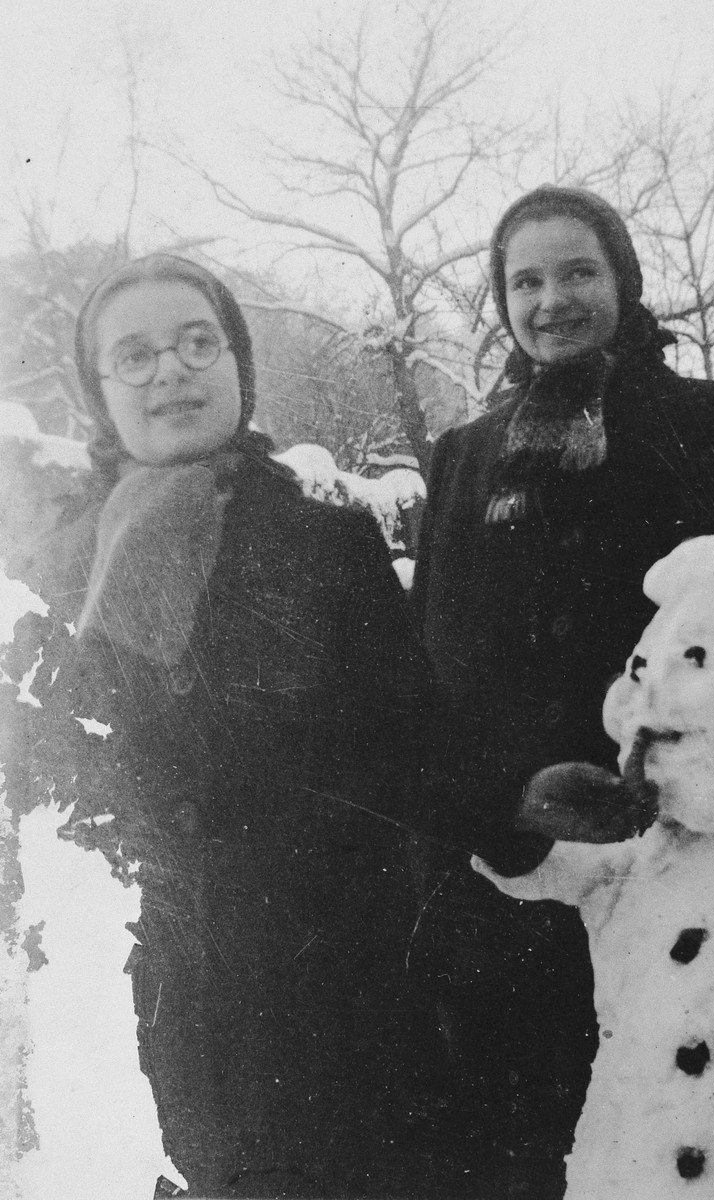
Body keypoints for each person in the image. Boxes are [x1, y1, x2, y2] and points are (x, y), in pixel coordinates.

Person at [7, 254, 437, 1198]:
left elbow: (413, 754)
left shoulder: (326, 542)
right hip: (144, 998)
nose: (172, 371)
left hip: (330, 989)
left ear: (238, 362)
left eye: (199, 342)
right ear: (100, 391)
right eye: (137, 355)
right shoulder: (49, 573)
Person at [409, 186, 714, 1199]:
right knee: (515, 1145)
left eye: (576, 272)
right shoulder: (464, 453)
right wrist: (489, 813)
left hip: (651, 850)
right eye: (524, 280)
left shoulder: (696, 415)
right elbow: (435, 652)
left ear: (621, 279)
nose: (550, 300)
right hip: (503, 853)